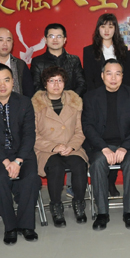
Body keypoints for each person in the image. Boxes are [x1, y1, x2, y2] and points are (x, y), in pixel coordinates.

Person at [0, 64, 42, 246]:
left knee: (31, 178)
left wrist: (18, 160)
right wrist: (4, 161)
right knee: (0, 179)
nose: (2, 85)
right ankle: (10, 226)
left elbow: (29, 135)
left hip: (22, 154)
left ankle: (26, 225)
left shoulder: (24, 102)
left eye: (6, 80)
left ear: (13, 82)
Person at [82, 59, 130, 231]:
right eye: (109, 73)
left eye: (118, 74)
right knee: (97, 163)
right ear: (102, 76)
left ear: (123, 76)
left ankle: (129, 212)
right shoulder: (91, 97)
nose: (113, 78)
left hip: (127, 145)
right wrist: (104, 148)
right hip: (101, 146)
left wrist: (125, 146)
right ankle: (102, 213)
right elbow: (88, 127)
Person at [32, 66, 88, 228]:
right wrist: (54, 147)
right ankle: (56, 206)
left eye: (60, 80)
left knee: (79, 165)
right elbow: (33, 135)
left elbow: (80, 131)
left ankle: (79, 203)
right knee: (55, 167)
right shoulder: (35, 105)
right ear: (45, 84)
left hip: (71, 147)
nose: (56, 85)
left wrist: (71, 146)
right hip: (46, 149)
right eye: (52, 81)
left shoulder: (75, 101)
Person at [83, 14, 129, 197]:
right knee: (103, 141)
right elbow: (89, 79)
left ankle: (111, 183)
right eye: (103, 26)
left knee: (118, 138)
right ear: (98, 29)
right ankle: (103, 184)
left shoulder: (123, 50)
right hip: (98, 101)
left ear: (115, 29)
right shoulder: (89, 51)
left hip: (119, 99)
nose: (107, 30)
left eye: (111, 26)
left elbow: (126, 77)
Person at [30, 23, 85, 97]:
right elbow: (36, 86)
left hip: (71, 102)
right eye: (51, 36)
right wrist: (51, 100)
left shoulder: (74, 60)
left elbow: (81, 84)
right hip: (46, 103)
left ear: (64, 39)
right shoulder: (37, 61)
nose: (55, 40)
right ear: (45, 39)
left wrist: (69, 99)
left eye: (59, 36)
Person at [0, 27, 34, 97]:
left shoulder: (20, 65)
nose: (5, 44)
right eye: (1, 40)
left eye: (8, 40)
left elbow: (29, 93)